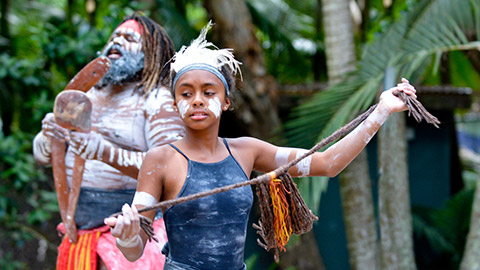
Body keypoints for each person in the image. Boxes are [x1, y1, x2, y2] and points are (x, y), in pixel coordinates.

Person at [104, 22, 417, 270]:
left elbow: (327, 164)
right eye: (186, 94)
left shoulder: (246, 151)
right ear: (175, 104)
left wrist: (381, 112)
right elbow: (133, 253)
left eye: (208, 91)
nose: (197, 99)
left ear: (226, 101)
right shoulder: (159, 159)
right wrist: (127, 235)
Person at [32, 13, 185, 270]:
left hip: (130, 235)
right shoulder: (86, 93)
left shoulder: (157, 100)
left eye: (128, 38)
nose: (116, 41)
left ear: (150, 51)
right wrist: (48, 139)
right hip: (78, 233)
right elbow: (43, 157)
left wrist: (103, 152)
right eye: (114, 36)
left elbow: (174, 170)